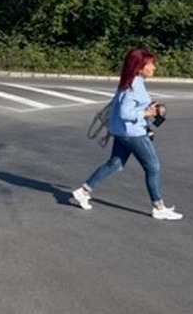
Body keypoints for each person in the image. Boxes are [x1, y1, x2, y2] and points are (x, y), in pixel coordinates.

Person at [71, 48, 183, 220]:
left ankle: (83, 191)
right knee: (153, 167)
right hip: (133, 134)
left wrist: (147, 109)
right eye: (151, 64)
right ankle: (159, 207)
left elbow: (127, 108)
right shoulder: (134, 86)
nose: (154, 68)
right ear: (139, 67)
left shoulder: (129, 82)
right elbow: (125, 113)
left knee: (115, 164)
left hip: (122, 132)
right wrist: (148, 114)